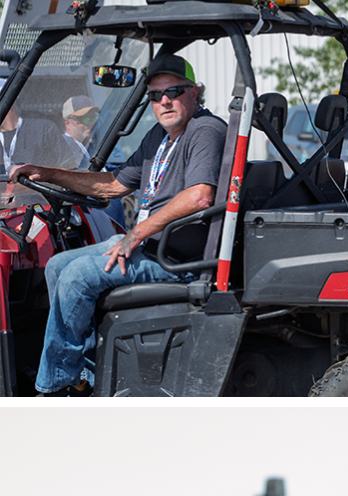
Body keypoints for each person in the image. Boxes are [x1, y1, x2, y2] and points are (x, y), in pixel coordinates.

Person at [10, 54, 226, 396]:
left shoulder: (205, 129)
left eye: (174, 91)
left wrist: (136, 234)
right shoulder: (159, 136)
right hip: (151, 246)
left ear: (195, 92)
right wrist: (47, 172)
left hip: (176, 261)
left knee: (79, 276)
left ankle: (55, 386)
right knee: (57, 265)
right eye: (156, 95)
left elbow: (200, 195)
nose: (164, 101)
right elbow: (112, 185)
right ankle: (88, 373)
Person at [58, 98, 100, 170]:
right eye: (83, 119)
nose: (90, 123)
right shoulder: (62, 145)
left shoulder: (89, 146)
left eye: (93, 118)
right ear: (67, 123)